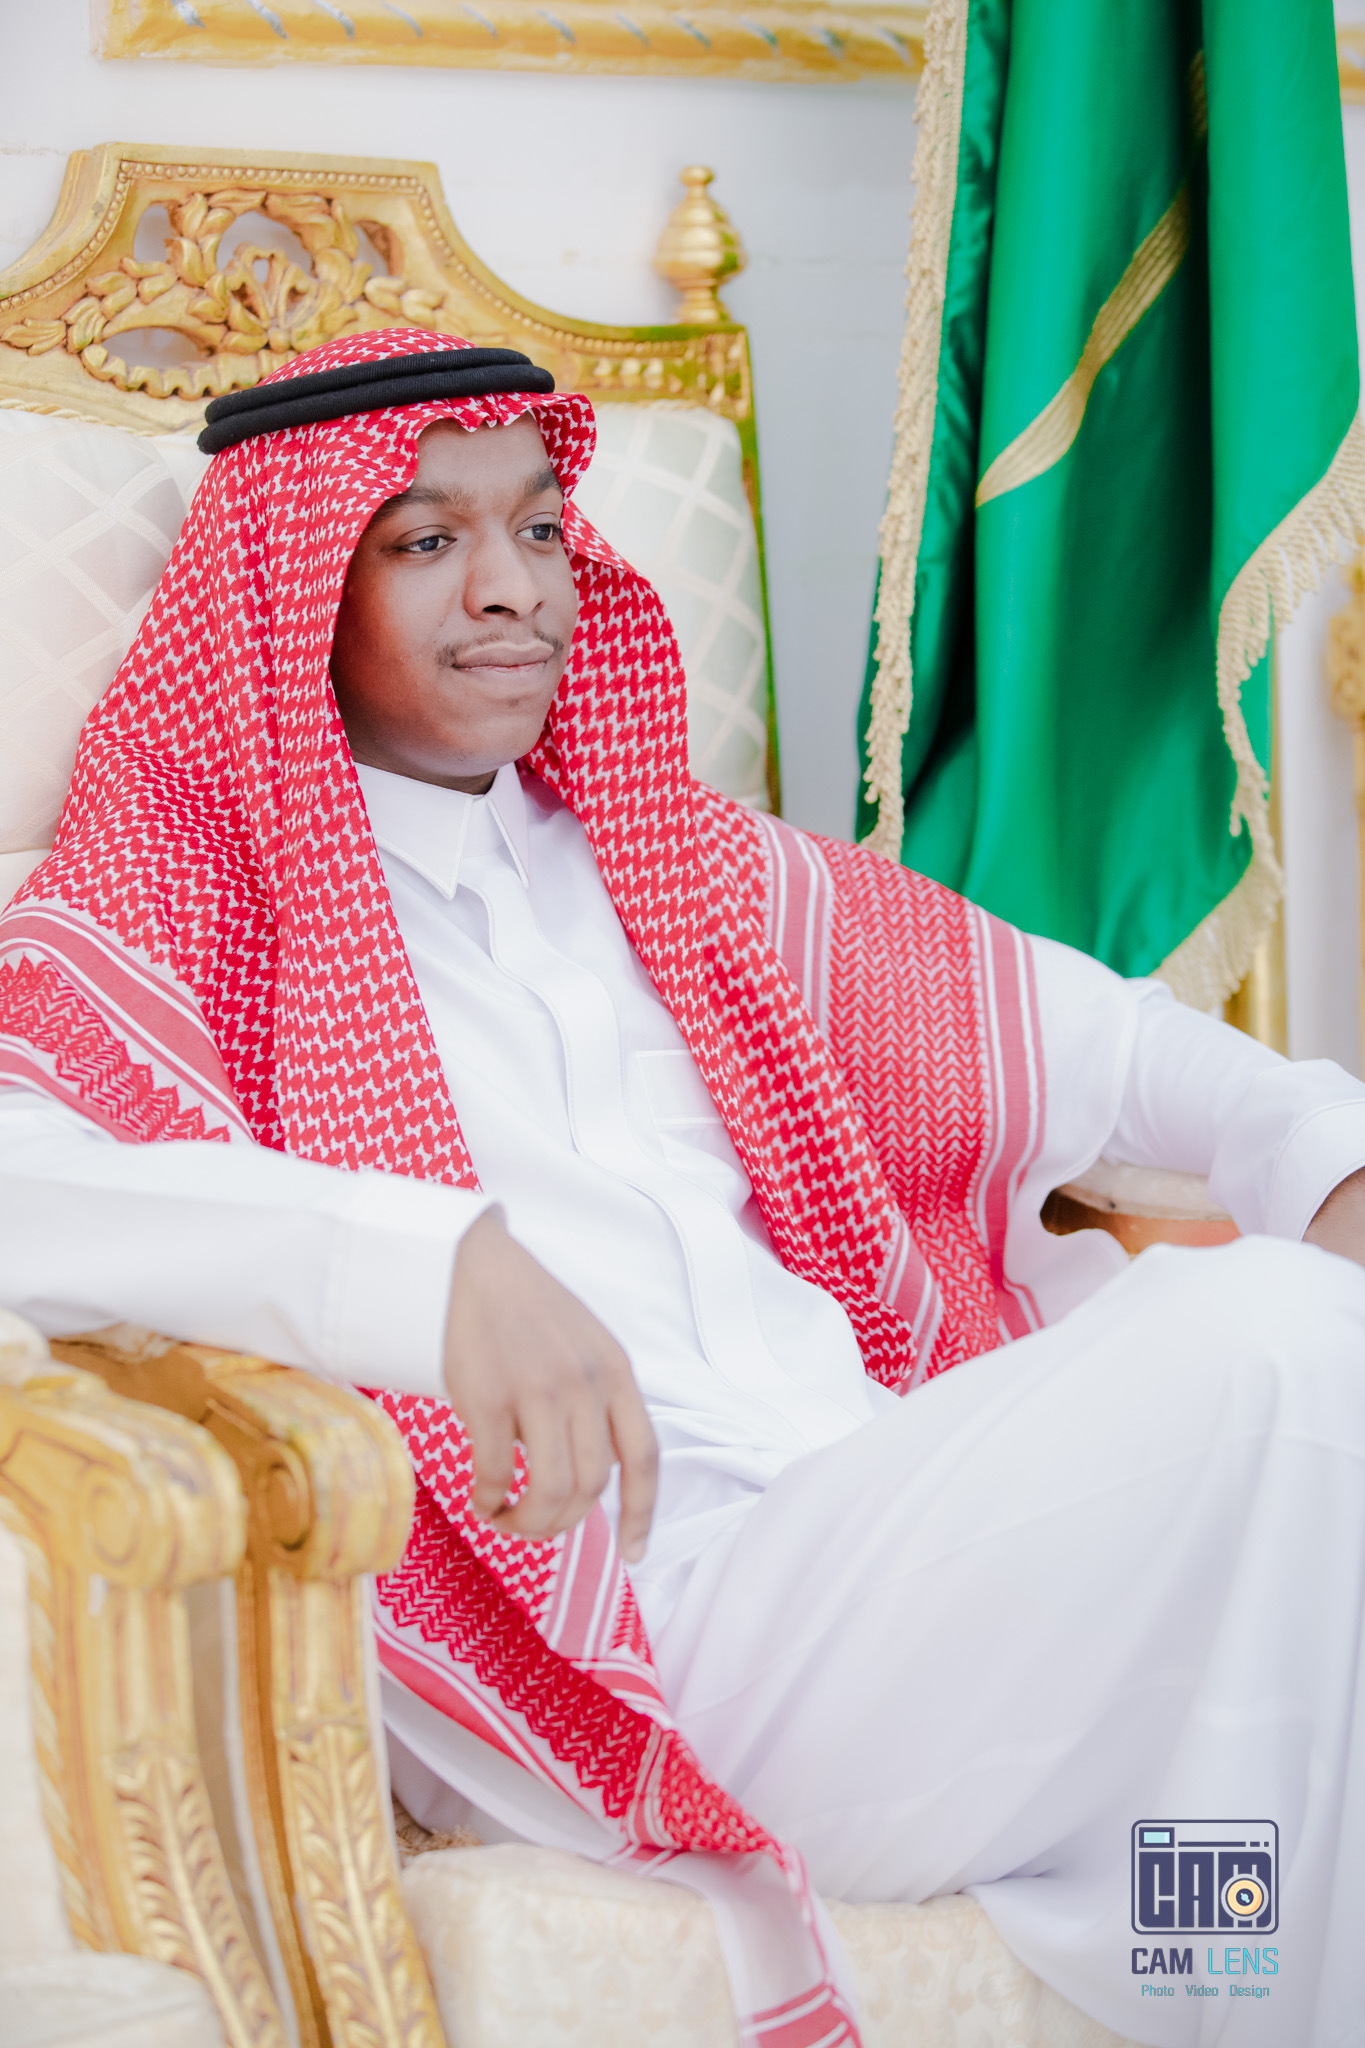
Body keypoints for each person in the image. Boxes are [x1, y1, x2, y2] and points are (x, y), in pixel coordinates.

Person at [2, 327, 1364, 2048]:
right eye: (424, 540)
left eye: (538, 528)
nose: (511, 588)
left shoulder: (686, 868)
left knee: (1287, 1549)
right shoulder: (182, 913)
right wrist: (424, 1264)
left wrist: (1327, 1158)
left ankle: (1214, 1977)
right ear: (288, 600)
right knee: (1270, 1344)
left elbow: (1121, 1052)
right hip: (628, 1645)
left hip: (887, 1537)